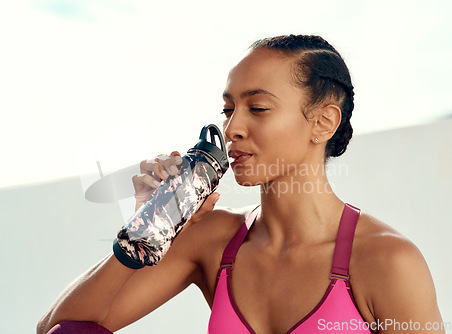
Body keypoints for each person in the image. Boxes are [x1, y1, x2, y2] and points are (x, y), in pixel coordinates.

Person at [37, 35, 444, 334]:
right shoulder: (213, 241)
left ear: (323, 122)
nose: (232, 129)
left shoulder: (386, 261)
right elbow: (60, 328)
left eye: (258, 108)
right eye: (229, 109)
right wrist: (148, 229)